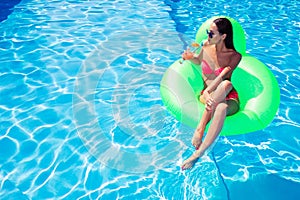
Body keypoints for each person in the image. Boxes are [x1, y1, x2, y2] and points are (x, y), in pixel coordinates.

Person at [181, 18, 242, 170]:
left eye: (211, 33)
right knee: (219, 102)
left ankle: (197, 152)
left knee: (226, 87)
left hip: (227, 96)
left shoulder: (235, 56)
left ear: (223, 36)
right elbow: (200, 61)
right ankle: (200, 135)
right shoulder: (205, 46)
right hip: (207, 96)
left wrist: (209, 92)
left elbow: (223, 76)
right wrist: (190, 58)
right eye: (208, 32)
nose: (207, 35)